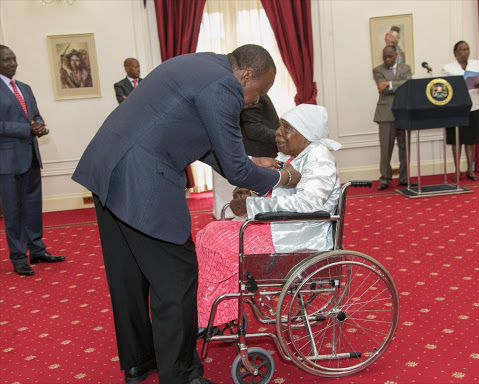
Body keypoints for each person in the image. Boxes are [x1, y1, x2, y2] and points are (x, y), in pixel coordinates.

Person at [71, 44, 301, 384]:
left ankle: (139, 360)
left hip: (107, 166)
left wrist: (253, 163)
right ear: (246, 75)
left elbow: (203, 143)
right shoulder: (223, 86)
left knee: (129, 276)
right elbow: (235, 170)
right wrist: (282, 176)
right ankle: (181, 375)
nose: (255, 101)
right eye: (259, 92)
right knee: (177, 277)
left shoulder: (204, 65)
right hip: (142, 178)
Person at [196, 104, 342, 328]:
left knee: (213, 239)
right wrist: (252, 194)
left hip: (297, 236)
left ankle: (213, 314)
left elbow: (306, 205)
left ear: (307, 133)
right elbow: (283, 192)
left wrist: (252, 204)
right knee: (209, 233)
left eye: (287, 128)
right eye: (280, 127)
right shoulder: (294, 155)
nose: (278, 132)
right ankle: (214, 312)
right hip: (281, 228)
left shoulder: (319, 159)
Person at [0, 45, 65, 276]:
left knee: (33, 207)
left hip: (31, 157)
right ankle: (18, 258)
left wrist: (38, 125)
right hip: (7, 162)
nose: (12, 63)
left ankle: (37, 250)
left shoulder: (24, 88)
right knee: (13, 211)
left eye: (14, 59)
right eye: (7, 60)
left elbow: (35, 114)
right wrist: (26, 129)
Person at [442, 40, 479, 181]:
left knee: (471, 139)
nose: (466, 52)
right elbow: (445, 88)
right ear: (455, 53)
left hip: (474, 106)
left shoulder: (477, 64)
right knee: (456, 140)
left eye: (467, 49)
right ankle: (457, 171)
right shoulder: (448, 68)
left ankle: (470, 169)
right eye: (462, 50)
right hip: (456, 108)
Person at [373, 45, 413, 191]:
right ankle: (385, 179)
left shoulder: (406, 68)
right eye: (385, 57)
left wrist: (389, 84)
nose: (387, 59)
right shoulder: (378, 70)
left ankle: (404, 178)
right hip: (385, 115)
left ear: (396, 55)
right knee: (385, 149)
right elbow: (381, 88)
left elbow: (409, 84)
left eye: (390, 56)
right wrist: (397, 85)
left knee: (405, 148)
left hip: (403, 113)